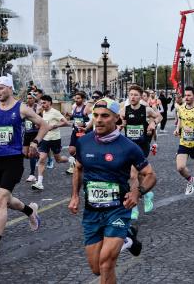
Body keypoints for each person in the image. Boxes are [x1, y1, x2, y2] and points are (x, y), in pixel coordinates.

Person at [68, 97, 156, 282]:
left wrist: (137, 193)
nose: (99, 120)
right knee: (97, 268)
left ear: (116, 118)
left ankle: (125, 233)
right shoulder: (83, 142)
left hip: (117, 210)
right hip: (92, 212)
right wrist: (75, 196)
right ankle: (129, 237)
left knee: (106, 262)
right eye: (96, 115)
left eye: (105, 116)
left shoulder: (129, 147)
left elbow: (150, 175)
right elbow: (78, 168)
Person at [0, 75, 45, 264]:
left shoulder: (21, 108)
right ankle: (30, 211)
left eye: (1, 88)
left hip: (13, 160)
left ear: (10, 88)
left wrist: (35, 142)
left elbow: (44, 125)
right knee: (6, 200)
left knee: (0, 201)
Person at [120, 85, 161, 218]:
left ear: (140, 96)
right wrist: (120, 126)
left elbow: (159, 116)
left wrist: (153, 123)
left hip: (142, 146)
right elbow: (120, 124)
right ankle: (147, 193)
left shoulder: (146, 109)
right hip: (128, 146)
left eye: (136, 95)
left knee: (133, 174)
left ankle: (134, 206)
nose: (133, 97)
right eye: (131, 94)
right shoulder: (124, 110)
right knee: (138, 175)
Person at [32, 95, 70, 191]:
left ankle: (71, 160)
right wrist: (37, 114)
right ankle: (39, 182)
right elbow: (37, 125)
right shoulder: (42, 112)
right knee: (42, 159)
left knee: (59, 159)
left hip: (55, 139)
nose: (42, 105)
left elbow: (66, 122)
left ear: (49, 102)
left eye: (44, 103)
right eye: (41, 103)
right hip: (45, 139)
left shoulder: (55, 112)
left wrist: (55, 125)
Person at [23, 92, 41, 182]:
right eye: (27, 98)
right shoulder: (24, 106)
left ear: (34, 99)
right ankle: (39, 156)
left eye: (30, 98)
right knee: (25, 154)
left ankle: (32, 174)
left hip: (35, 132)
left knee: (30, 154)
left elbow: (35, 116)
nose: (28, 100)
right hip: (27, 132)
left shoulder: (37, 107)